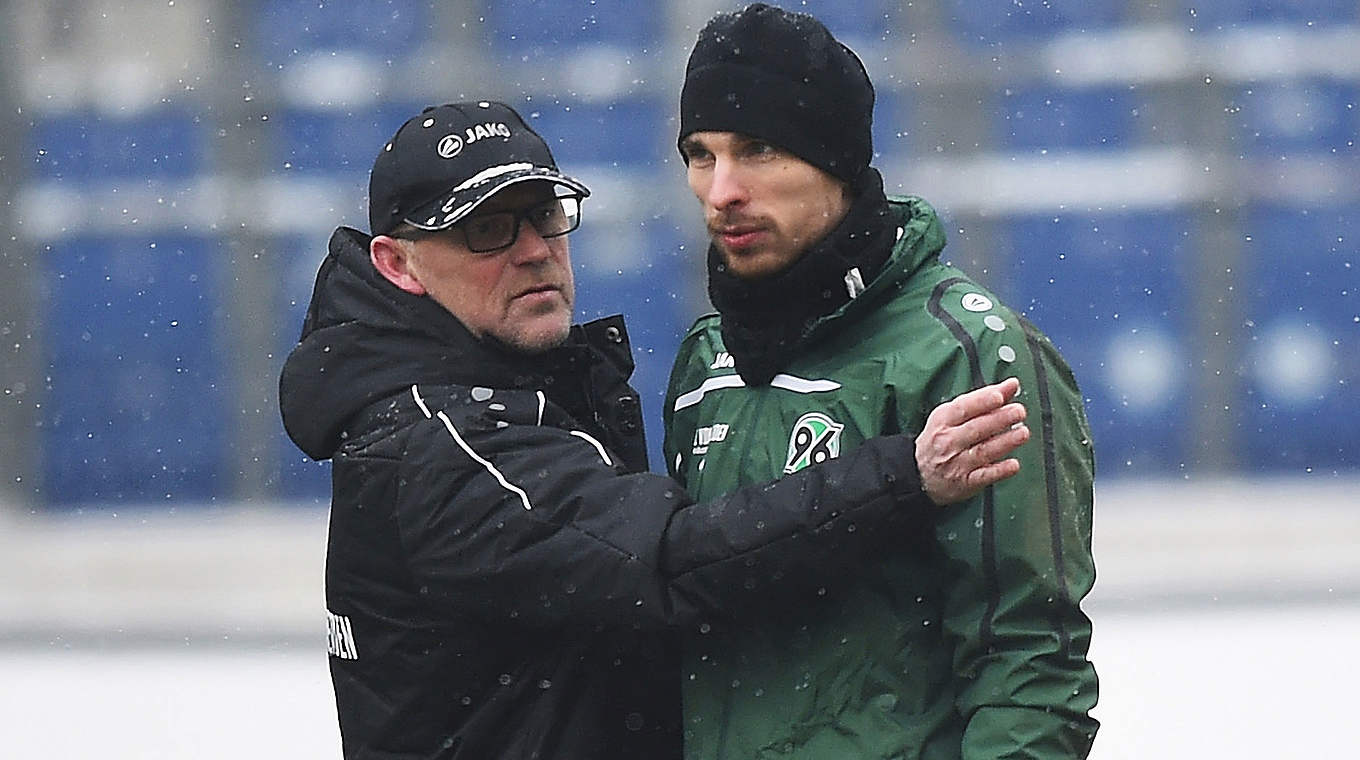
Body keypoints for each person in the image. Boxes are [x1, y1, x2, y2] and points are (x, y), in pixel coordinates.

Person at [278, 99, 1033, 759]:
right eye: (487, 230)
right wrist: (906, 476)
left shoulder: (486, 391)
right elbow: (670, 565)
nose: (535, 249)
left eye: (545, 214)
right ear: (397, 263)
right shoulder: (445, 443)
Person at [663, 5, 1100, 759]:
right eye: (701, 154)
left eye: (758, 149)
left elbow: (1028, 663)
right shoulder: (709, 360)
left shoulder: (966, 353)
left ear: (834, 161)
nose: (720, 189)